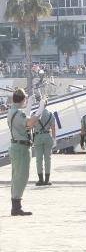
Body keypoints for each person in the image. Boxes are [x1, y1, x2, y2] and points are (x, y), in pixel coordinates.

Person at [8, 88, 39, 216]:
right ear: (23, 99)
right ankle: (16, 207)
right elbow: (30, 123)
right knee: (22, 176)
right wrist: (40, 110)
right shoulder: (19, 114)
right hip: (21, 148)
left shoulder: (12, 111)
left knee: (16, 177)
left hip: (16, 146)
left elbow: (24, 120)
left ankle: (15, 205)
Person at [32, 98, 56, 187]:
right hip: (47, 136)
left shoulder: (35, 114)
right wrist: (54, 139)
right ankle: (47, 180)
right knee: (47, 159)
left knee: (38, 159)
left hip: (38, 137)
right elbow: (53, 128)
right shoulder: (50, 114)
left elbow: (31, 125)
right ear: (46, 105)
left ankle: (40, 180)